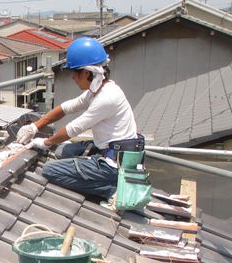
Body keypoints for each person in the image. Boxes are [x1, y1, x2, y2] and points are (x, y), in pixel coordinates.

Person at [16, 37, 140, 200]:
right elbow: (67, 107)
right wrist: (35, 126)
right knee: (60, 151)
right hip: (107, 150)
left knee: (50, 170)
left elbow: (74, 128)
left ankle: (110, 188)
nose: (73, 77)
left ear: (87, 72)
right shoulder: (97, 91)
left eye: (75, 72)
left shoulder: (107, 97)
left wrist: (45, 143)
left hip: (113, 166)